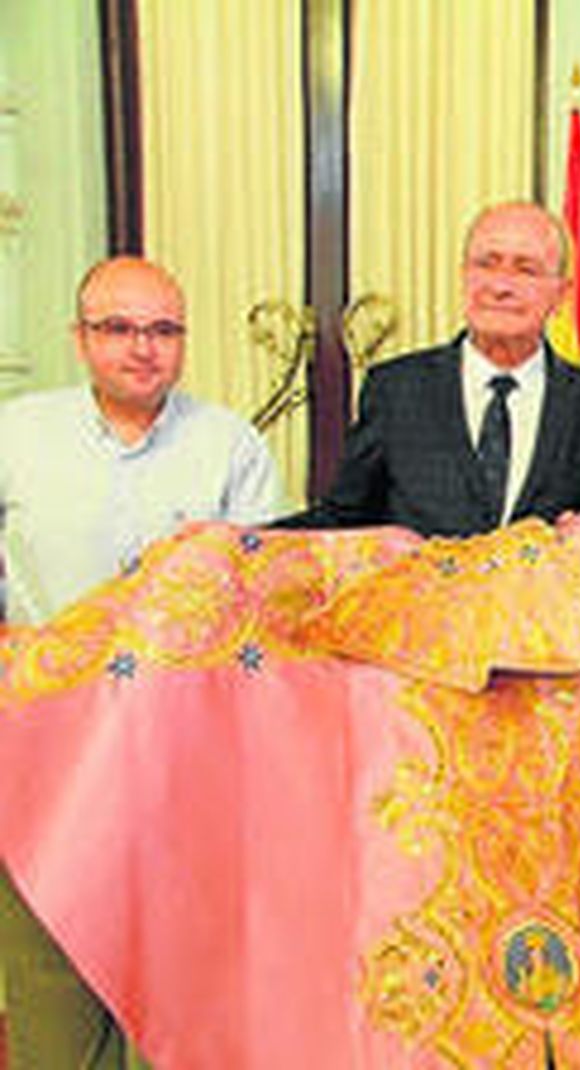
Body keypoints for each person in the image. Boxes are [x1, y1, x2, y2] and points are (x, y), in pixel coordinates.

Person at [0, 255, 284, 1068]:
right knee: (53, 994)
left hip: (185, 760)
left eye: (163, 330)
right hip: (43, 758)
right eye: (118, 328)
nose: (142, 348)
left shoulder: (229, 443)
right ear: (79, 337)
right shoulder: (17, 434)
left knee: (182, 999)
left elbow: (265, 594)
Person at [284, 201, 580, 535]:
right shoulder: (395, 391)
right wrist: (239, 544)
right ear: (464, 275)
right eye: (486, 264)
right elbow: (343, 520)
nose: (500, 286)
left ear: (561, 294)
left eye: (526, 270)